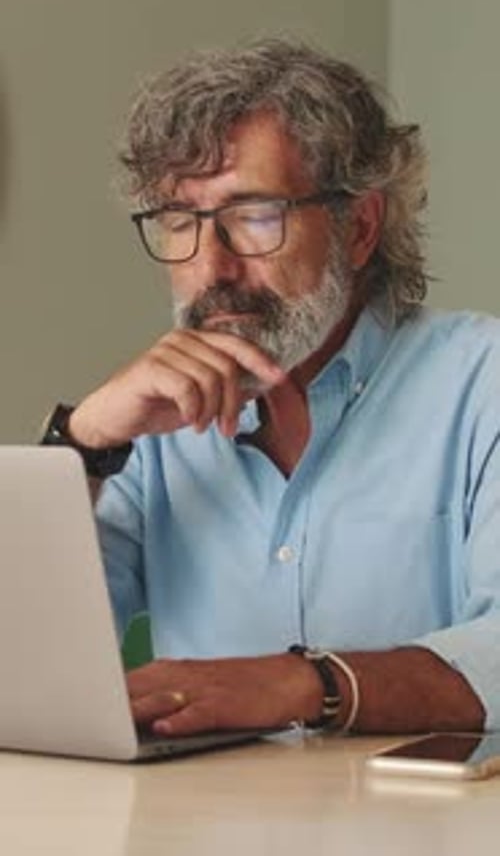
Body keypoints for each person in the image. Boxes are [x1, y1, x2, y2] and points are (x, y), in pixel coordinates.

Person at [41, 38, 500, 738]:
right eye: (181, 222)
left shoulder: (481, 383)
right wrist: (84, 443)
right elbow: (31, 656)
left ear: (360, 227)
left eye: (254, 215)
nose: (212, 266)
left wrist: (302, 684)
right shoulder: (151, 426)